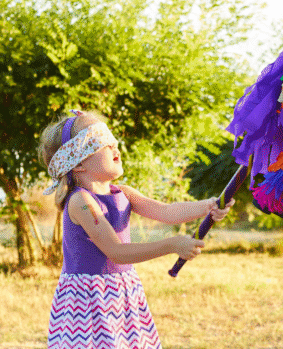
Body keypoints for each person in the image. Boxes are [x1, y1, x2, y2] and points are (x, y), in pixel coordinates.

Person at [39, 110, 234, 348]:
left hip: (121, 293)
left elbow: (167, 211)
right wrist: (172, 245)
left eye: (113, 141)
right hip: (88, 303)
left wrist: (209, 206)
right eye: (104, 144)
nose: (115, 148)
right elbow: (117, 252)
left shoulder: (123, 193)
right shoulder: (82, 202)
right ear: (78, 162)